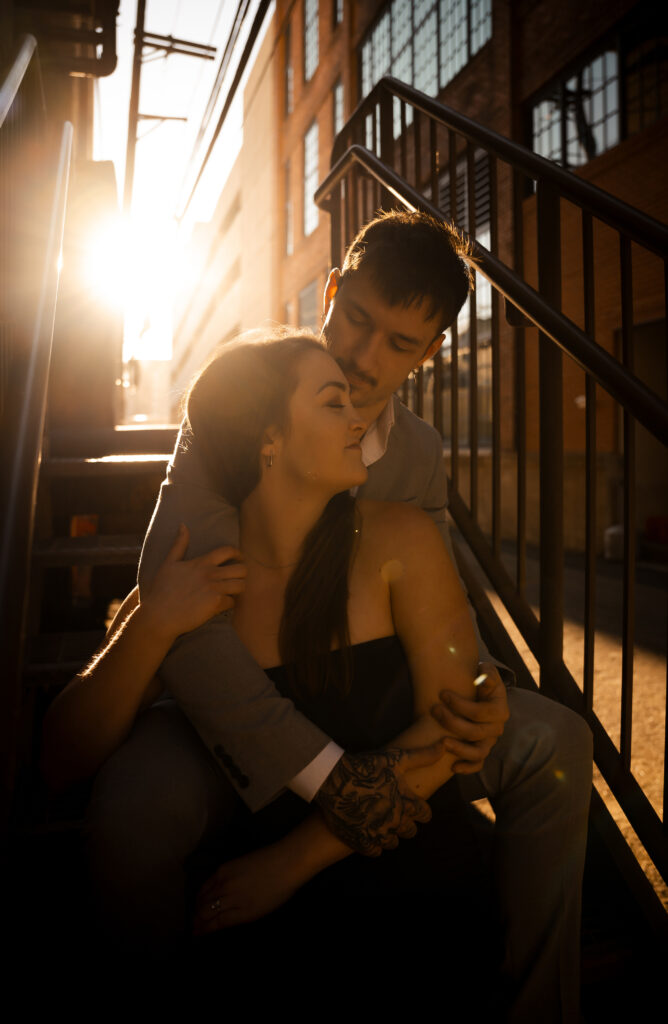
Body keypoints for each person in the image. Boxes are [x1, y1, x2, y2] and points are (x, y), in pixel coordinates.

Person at [56, 210, 592, 1022]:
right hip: (232, 699)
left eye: (400, 344)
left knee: (553, 739)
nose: (365, 358)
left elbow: (442, 592)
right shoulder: (243, 403)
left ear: (431, 351)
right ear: (332, 290)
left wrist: (481, 681)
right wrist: (330, 779)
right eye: (357, 320)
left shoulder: (417, 454)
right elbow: (188, 621)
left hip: (364, 692)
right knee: (135, 802)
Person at [43, 333, 497, 975]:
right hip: (269, 930)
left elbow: (450, 733)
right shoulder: (197, 591)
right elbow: (61, 759)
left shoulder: (403, 538)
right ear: (268, 440)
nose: (359, 420)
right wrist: (151, 625)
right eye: (334, 403)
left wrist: (285, 866)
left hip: (414, 891)